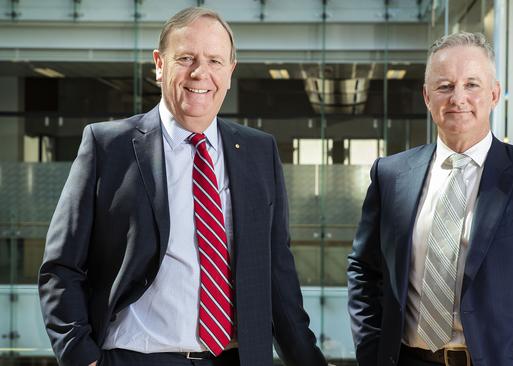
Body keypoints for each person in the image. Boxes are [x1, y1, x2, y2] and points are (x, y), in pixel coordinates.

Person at [38, 7, 327, 366]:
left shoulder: (259, 151)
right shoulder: (108, 146)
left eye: (215, 60)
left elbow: (278, 278)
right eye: (186, 58)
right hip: (137, 357)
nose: (200, 73)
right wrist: (82, 357)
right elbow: (61, 267)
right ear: (159, 64)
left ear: (230, 71)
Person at [347, 32, 513, 366]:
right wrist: (372, 353)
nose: (458, 98)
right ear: (427, 96)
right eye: (445, 86)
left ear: (494, 94)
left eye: (472, 85)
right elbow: (363, 270)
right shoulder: (391, 175)